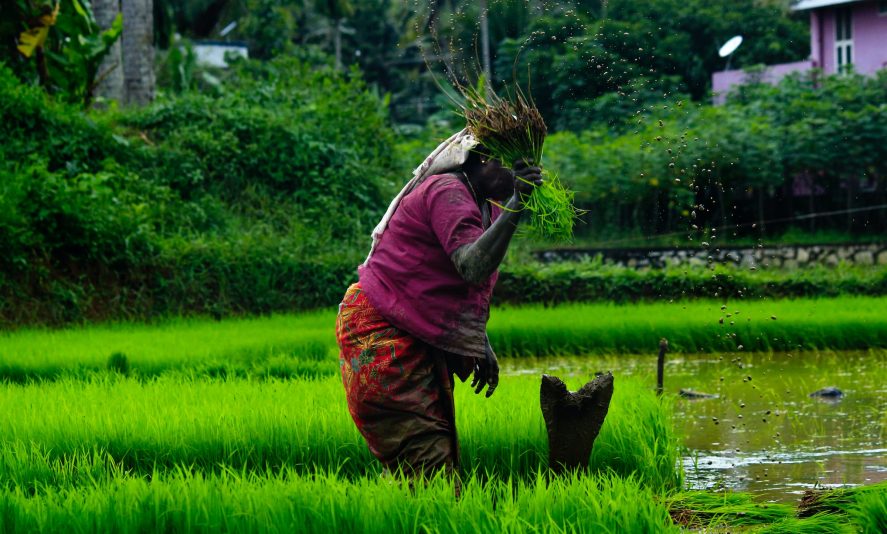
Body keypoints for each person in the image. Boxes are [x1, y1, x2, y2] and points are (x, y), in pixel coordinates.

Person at [336, 129, 542, 482]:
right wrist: (518, 204)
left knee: (424, 462)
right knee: (428, 464)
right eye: (514, 165)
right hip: (382, 331)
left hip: (407, 328)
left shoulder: (484, 204)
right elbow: (471, 265)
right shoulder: (447, 191)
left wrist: (479, 342)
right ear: (484, 160)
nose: (521, 173)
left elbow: (449, 287)